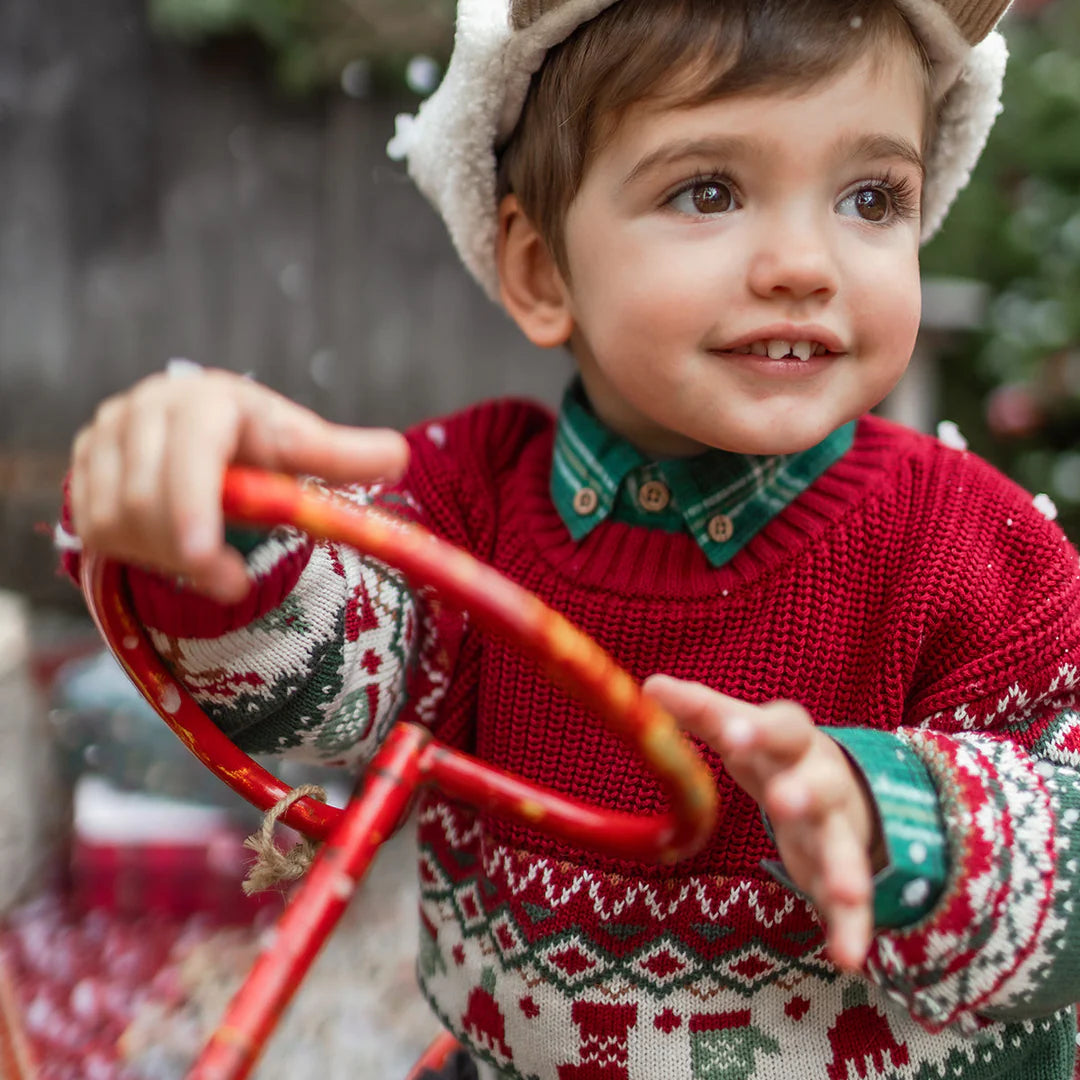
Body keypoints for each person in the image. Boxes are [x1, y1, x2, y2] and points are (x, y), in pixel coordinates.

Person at [61, 0, 1080, 1077]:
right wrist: (204, 523)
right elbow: (317, 680)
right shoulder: (463, 507)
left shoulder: (981, 557)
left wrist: (905, 826)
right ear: (542, 271)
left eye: (871, 197)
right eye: (709, 190)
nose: (803, 262)